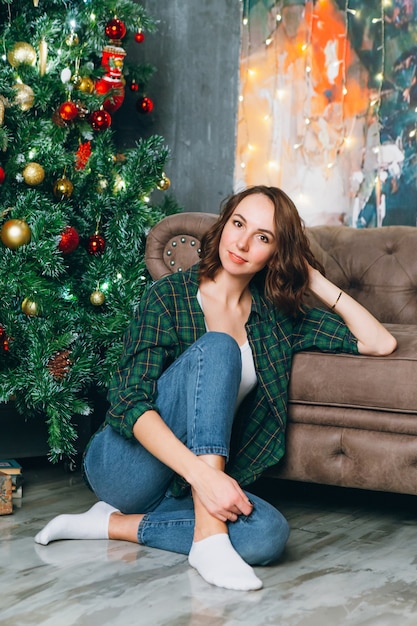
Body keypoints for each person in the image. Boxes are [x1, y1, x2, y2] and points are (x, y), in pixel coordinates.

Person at [35, 185, 397, 591]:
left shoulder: (276, 317)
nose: (242, 242)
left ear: (276, 254)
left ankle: (112, 524)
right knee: (219, 347)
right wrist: (204, 478)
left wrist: (312, 279)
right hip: (124, 466)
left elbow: (378, 342)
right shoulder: (169, 296)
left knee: (267, 535)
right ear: (224, 225)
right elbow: (128, 403)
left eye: (263, 237)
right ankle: (207, 538)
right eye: (238, 224)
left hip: (178, 489)